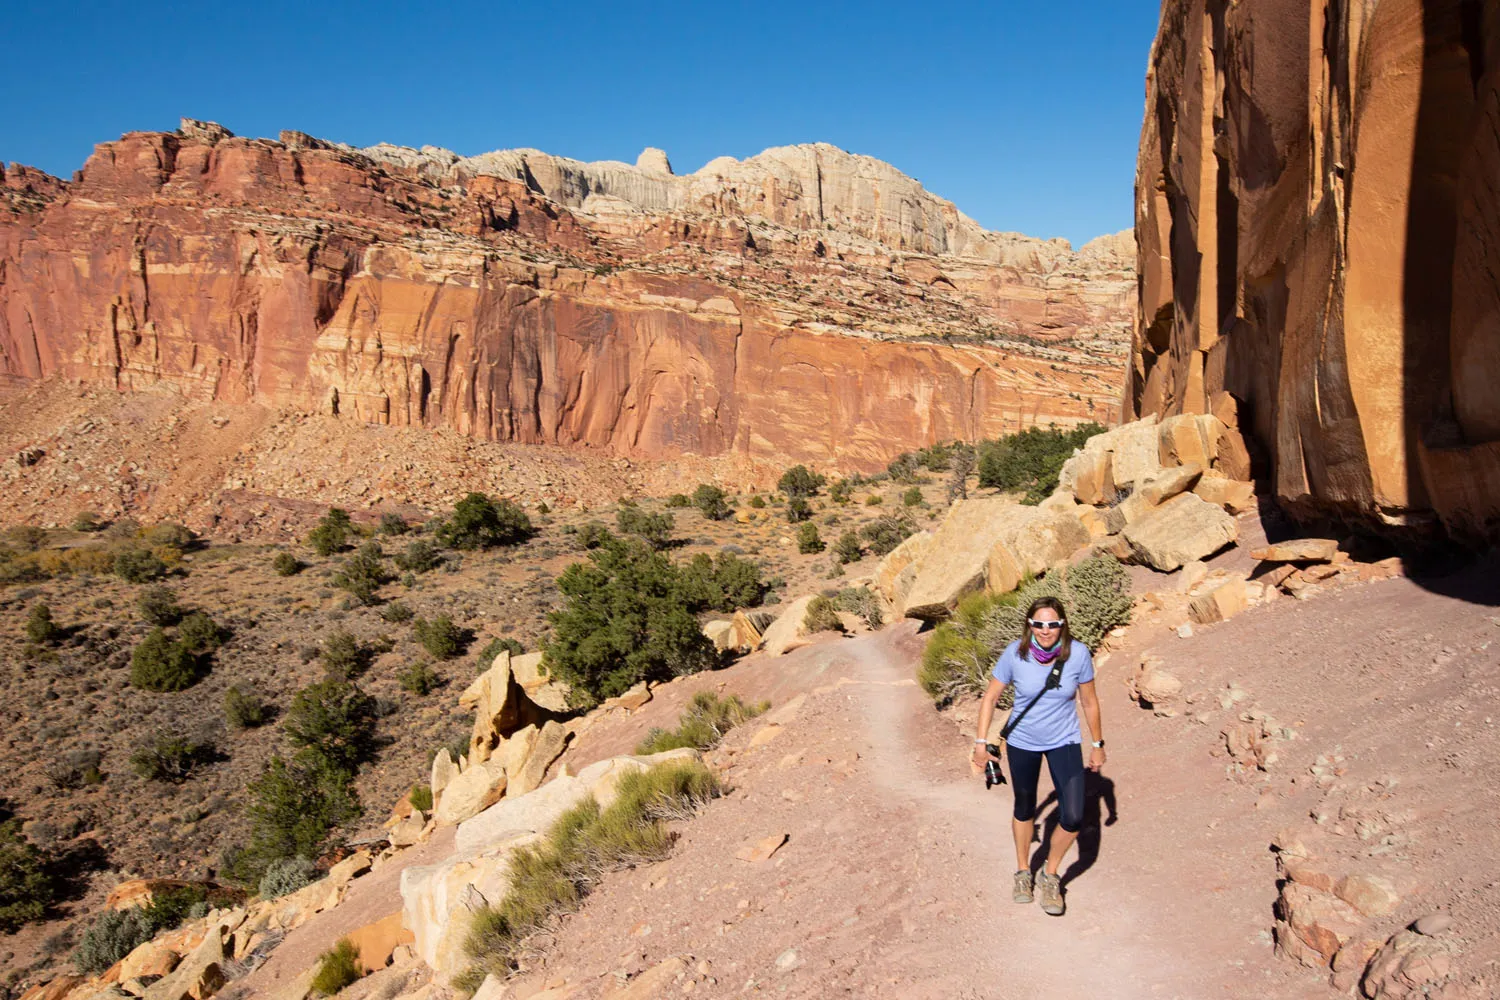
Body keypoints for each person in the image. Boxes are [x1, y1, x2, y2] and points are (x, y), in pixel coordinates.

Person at [970, 596, 1105, 916]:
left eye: (1053, 624)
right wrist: (980, 742)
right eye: (1039, 624)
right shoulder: (1015, 654)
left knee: (1073, 815)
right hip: (1022, 742)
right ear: (1030, 625)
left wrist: (1097, 745)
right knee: (1025, 806)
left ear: (1063, 624)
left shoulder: (1079, 654)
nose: (1046, 631)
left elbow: (1089, 702)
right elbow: (990, 698)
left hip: (1065, 741)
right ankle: (1022, 871)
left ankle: (1051, 873)